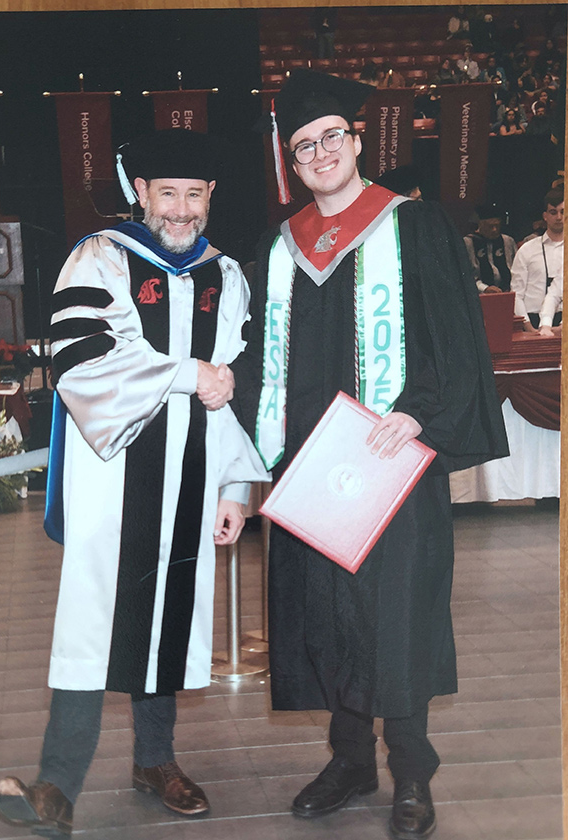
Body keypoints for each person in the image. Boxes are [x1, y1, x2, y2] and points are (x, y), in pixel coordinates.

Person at [232, 70, 508, 840]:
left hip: (392, 462)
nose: (320, 152)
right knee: (327, 614)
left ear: (357, 142)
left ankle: (411, 772)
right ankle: (349, 760)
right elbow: (260, 360)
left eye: (331, 136)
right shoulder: (280, 248)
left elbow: (454, 337)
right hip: (310, 470)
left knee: (397, 614)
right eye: (303, 145)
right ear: (291, 163)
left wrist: (419, 413)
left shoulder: (413, 227)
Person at [0, 129, 268, 837]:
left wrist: (235, 487)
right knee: (93, 622)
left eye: (194, 195)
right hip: (113, 477)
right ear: (140, 192)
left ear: (211, 196)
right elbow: (81, 362)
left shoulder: (225, 275)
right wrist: (186, 373)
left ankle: (155, 762)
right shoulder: (99, 258)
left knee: (167, 618)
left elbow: (233, 388)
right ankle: (56, 786)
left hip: (193, 478)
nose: (181, 210)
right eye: (167, 193)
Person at [511, 186, 564, 330]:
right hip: (531, 321)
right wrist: (528, 327)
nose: (559, 217)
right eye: (553, 212)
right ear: (545, 216)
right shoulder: (527, 249)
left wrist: (562, 327)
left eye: (563, 212)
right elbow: (516, 294)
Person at [463, 203, 517, 293]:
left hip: (507, 292)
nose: (494, 230)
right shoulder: (468, 243)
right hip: (481, 294)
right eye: (490, 226)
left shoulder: (507, 241)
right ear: (481, 224)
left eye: (497, 226)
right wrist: (484, 288)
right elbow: (466, 274)